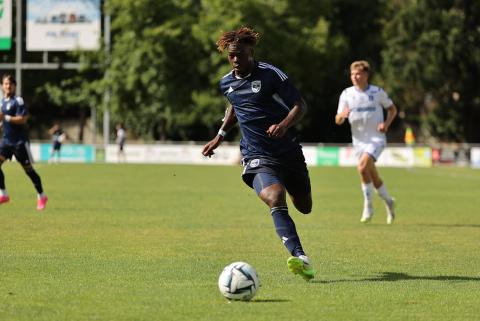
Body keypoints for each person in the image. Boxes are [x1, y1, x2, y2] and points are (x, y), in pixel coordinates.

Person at [202, 27, 316, 281]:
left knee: (305, 206)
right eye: (231, 56)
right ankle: (300, 256)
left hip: (288, 152)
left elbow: (300, 105)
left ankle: (292, 197)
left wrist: (284, 125)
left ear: (251, 52)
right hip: (256, 154)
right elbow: (234, 107)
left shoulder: (271, 74)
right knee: (275, 196)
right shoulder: (226, 83)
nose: (235, 60)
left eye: (240, 55)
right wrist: (220, 135)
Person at [335, 60, 397, 224]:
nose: (354, 77)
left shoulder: (377, 92)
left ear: (366, 75)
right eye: (352, 74)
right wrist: (342, 116)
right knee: (372, 176)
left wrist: (386, 124)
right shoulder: (347, 94)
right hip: (359, 142)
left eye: (358, 74)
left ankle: (368, 206)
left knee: (362, 167)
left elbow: (392, 109)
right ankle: (389, 202)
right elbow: (337, 120)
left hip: (376, 139)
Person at [0, 74, 48, 210]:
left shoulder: (18, 100)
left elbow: (23, 119)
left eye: (10, 84)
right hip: (6, 142)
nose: (8, 86)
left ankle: (42, 196)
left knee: (29, 171)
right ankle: (3, 194)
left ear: (14, 86)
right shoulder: (2, 102)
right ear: (2, 86)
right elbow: (3, 120)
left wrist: (6, 118)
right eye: (5, 84)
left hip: (19, 142)